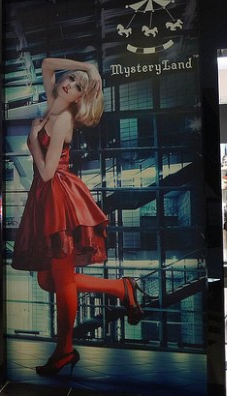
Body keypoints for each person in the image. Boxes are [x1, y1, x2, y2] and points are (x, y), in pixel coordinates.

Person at [11, 57, 144, 376]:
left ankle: (64, 350)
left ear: (79, 98)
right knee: (47, 279)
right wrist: (87, 67)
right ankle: (120, 288)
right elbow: (46, 64)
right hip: (45, 197)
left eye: (77, 86)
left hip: (58, 196)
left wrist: (32, 141)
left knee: (62, 278)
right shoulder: (51, 105)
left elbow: (46, 172)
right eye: (69, 78)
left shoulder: (62, 120)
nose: (68, 84)